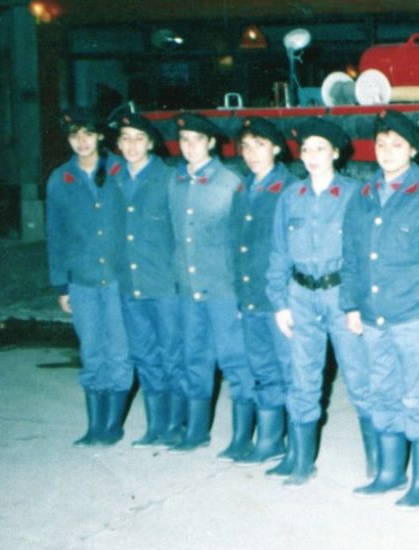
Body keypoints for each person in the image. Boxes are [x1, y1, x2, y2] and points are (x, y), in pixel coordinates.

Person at [341, 111, 419, 506]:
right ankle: (388, 472)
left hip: (413, 315)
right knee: (381, 391)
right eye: (381, 144)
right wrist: (350, 304)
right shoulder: (363, 193)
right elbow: (351, 254)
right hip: (371, 314)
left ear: (414, 149)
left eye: (396, 145)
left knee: (418, 396)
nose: (386, 152)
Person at [265, 118, 366, 487]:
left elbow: (362, 252)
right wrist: (279, 302)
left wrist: (356, 303)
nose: (312, 156)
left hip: (341, 294)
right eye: (306, 149)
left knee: (359, 377)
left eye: (320, 149)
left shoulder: (355, 194)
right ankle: (302, 461)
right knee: (302, 379)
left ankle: (379, 467)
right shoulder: (291, 195)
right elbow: (278, 252)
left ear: (336, 153)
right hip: (300, 296)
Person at [166, 113, 255, 455]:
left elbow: (241, 240)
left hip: (223, 288)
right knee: (194, 358)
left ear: (212, 143)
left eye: (197, 140)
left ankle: (242, 436)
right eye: (184, 140)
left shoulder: (230, 183)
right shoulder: (174, 182)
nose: (189, 147)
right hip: (189, 288)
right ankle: (196, 430)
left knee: (235, 360)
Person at [46, 107, 131, 447]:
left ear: (99, 136)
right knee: (92, 350)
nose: (81, 142)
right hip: (81, 281)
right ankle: (94, 425)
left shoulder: (119, 170)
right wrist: (61, 285)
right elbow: (56, 235)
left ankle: (113, 424)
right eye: (74, 135)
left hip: (117, 279)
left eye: (87, 134)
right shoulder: (60, 179)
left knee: (119, 352)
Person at [107, 110, 180, 448]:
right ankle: (155, 425)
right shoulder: (114, 179)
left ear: (150, 143)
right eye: (125, 139)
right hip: (130, 284)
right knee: (144, 355)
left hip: (163, 283)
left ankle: (177, 425)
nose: (131, 145)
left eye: (138, 139)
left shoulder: (168, 178)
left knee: (171, 354)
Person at [232, 117, 295, 466]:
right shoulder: (243, 189)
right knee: (262, 369)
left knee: (289, 370)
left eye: (259, 145)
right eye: (246, 147)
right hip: (250, 294)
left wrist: (287, 299)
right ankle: (270, 440)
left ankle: (295, 446)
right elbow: (235, 244)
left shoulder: (289, 188)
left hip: (279, 299)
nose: (252, 154)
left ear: (275, 148)